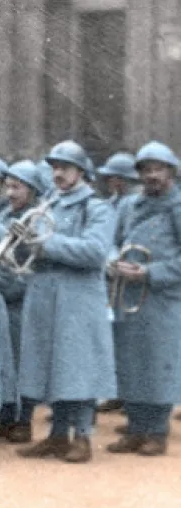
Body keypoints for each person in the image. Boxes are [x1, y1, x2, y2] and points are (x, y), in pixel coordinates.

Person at [14, 141, 118, 463]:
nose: (57, 174)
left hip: (78, 299)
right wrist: (20, 241)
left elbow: (95, 252)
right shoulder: (48, 203)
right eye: (54, 167)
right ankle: (58, 436)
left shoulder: (97, 207)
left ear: (81, 172)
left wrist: (45, 244)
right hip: (46, 294)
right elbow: (32, 250)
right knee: (51, 367)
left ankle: (83, 437)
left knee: (78, 368)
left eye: (65, 168)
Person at [107, 142, 180, 455]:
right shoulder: (128, 206)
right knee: (130, 361)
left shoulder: (177, 207)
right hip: (127, 295)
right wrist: (112, 262)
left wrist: (150, 272)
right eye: (146, 170)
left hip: (163, 297)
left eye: (158, 169)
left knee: (158, 363)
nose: (152, 175)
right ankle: (135, 429)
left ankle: (157, 431)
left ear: (171, 172)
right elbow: (111, 241)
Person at [0, 161, 45, 444]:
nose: (10, 193)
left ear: (32, 190)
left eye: (17, 187)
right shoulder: (4, 215)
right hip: (5, 294)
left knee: (25, 361)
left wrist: (17, 285)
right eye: (8, 186)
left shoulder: (40, 218)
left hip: (28, 296)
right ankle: (7, 416)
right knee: (6, 360)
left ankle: (24, 420)